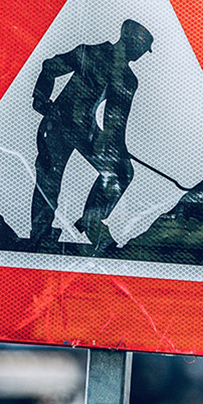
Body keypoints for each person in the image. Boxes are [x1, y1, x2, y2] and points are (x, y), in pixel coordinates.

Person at [29, 18, 153, 248]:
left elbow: (115, 121)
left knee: (121, 171)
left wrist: (118, 149)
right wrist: (41, 98)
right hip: (58, 122)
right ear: (132, 42)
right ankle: (40, 236)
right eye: (142, 50)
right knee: (49, 179)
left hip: (83, 127)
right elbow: (50, 67)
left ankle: (92, 219)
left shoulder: (126, 78)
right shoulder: (92, 54)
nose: (141, 55)